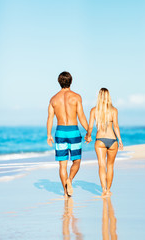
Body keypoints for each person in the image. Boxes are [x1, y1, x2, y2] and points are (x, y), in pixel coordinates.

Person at [47, 71, 88, 199]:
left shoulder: (53, 99)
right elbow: (81, 116)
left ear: (59, 82)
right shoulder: (76, 97)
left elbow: (50, 118)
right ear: (71, 81)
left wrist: (49, 134)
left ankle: (65, 193)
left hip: (60, 132)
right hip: (73, 131)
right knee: (77, 161)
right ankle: (70, 179)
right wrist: (89, 131)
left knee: (62, 164)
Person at [85, 88, 123, 197]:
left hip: (100, 140)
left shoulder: (94, 110)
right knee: (110, 166)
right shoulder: (114, 110)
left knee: (101, 165)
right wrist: (120, 140)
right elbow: (116, 126)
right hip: (112, 140)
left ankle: (103, 190)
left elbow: (90, 127)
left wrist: (88, 136)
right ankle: (109, 189)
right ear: (108, 97)